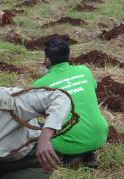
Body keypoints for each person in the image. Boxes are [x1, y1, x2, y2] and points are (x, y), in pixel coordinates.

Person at [33, 38, 109, 169]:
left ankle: (69, 157)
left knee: (36, 129)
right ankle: (88, 154)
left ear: (47, 61)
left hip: (69, 142)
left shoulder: (39, 85)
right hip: (99, 135)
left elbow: (37, 112)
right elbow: (92, 88)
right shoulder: (84, 71)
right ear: (69, 56)